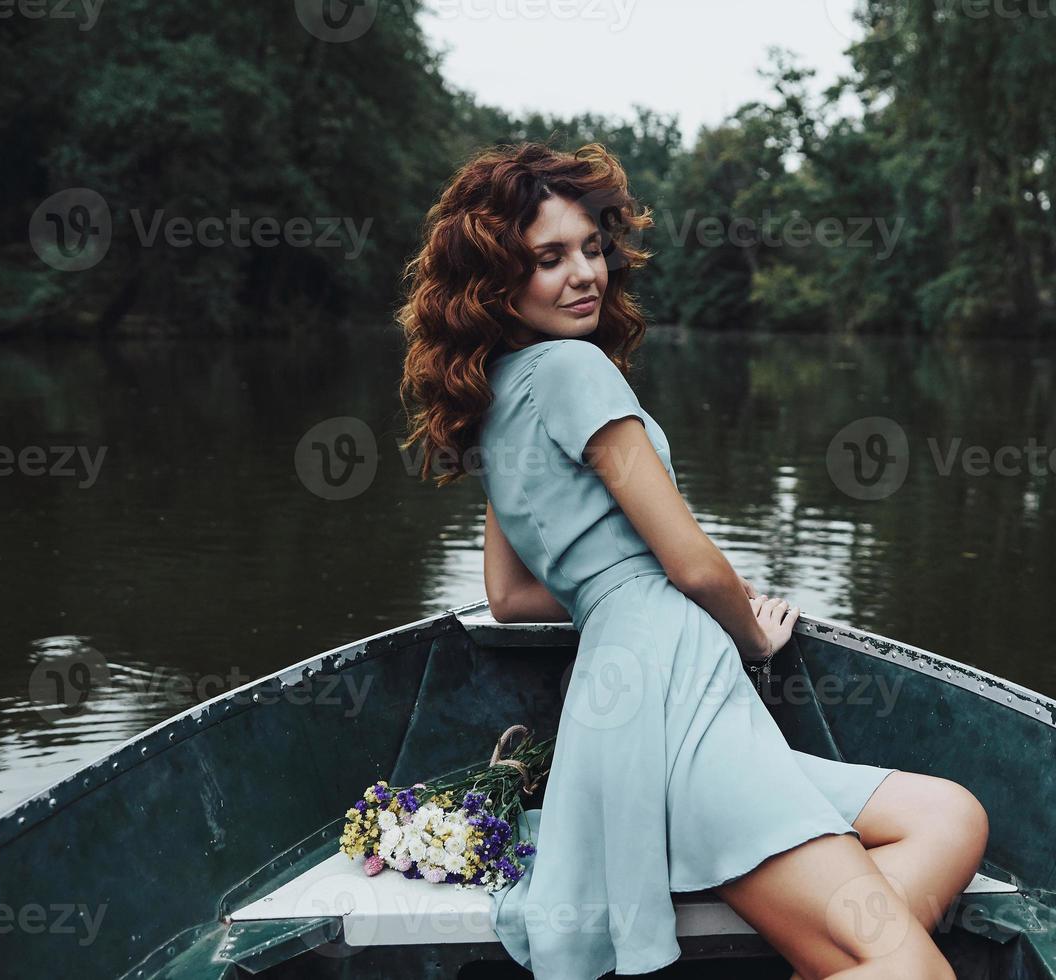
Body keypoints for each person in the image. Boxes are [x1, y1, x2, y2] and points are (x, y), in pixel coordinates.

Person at [396, 141, 987, 980]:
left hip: (625, 696)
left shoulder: (494, 403)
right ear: (498, 282)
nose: (584, 275)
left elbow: (512, 596)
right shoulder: (577, 370)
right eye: (548, 258)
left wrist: (611, 594)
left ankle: (851, 957)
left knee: (947, 816)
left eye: (592, 248)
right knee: (918, 973)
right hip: (677, 691)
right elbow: (693, 566)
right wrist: (752, 635)